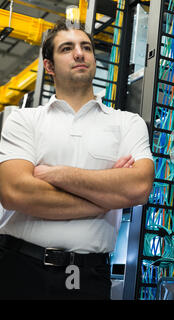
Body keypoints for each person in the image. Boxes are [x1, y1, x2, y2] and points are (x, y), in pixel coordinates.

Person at [0, 20, 155, 300]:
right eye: (67, 48)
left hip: (89, 276)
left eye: (86, 47)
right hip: (19, 267)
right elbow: (15, 193)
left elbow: (139, 188)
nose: (79, 53)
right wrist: (108, 198)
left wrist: (55, 174)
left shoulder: (126, 123)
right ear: (49, 66)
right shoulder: (24, 120)